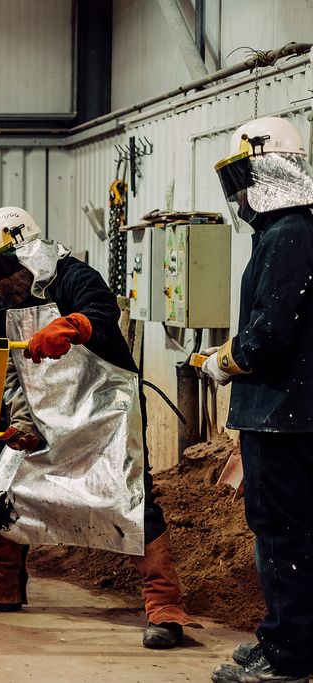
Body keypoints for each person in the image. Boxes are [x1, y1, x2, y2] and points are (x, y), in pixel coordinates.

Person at [0, 206, 196, 649]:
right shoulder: (4, 307)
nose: (2, 281)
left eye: (6, 268)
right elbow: (11, 373)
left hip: (104, 412)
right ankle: (1, 585)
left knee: (130, 496)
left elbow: (101, 313)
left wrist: (72, 324)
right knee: (5, 487)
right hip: (47, 415)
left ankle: (165, 605)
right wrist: (22, 421)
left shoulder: (75, 277)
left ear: (30, 253)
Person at [202, 117, 313, 683]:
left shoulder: (288, 233)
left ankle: (289, 657)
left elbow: (271, 331)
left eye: (242, 176)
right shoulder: (285, 233)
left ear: (266, 169)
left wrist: (225, 361)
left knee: (281, 533)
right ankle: (284, 639)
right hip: (284, 411)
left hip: (280, 414)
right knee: (288, 532)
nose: (238, 193)